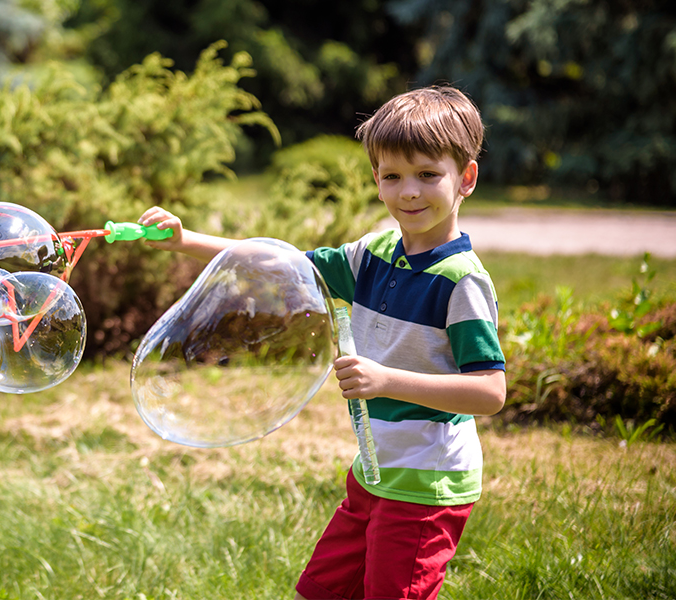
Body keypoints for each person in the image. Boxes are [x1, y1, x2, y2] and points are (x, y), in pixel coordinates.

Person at [137, 85, 507, 600]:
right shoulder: (373, 254)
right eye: (393, 176)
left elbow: (490, 391)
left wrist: (385, 381)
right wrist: (186, 240)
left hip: (427, 485)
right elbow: (282, 262)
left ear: (465, 178)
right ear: (376, 180)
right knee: (323, 590)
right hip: (374, 473)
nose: (409, 192)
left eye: (428, 174)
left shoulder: (460, 281)